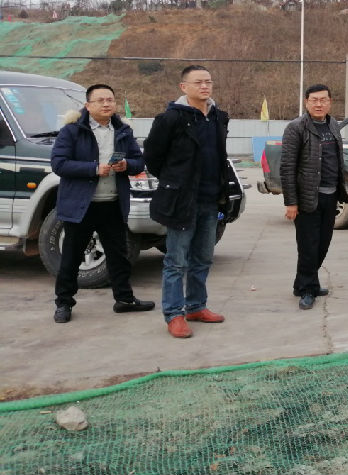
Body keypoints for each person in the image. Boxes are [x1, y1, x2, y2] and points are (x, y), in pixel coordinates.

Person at [50, 84, 154, 323]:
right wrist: (93, 169)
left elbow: (139, 161)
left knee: (119, 255)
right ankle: (64, 303)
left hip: (113, 204)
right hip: (81, 206)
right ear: (88, 105)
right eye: (100, 100)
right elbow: (59, 164)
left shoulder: (123, 130)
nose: (106, 104)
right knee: (72, 257)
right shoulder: (72, 131)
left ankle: (124, 299)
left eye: (110, 100)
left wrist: (126, 165)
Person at [143, 65, 232, 338]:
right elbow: (153, 157)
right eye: (198, 82)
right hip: (181, 200)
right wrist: (175, 181)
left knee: (203, 258)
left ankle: (196, 306)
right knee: (176, 261)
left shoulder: (218, 117)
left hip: (210, 199)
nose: (205, 86)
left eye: (208, 81)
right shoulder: (171, 118)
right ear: (184, 87)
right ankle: (174, 314)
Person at [280, 84, 348, 310]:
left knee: (323, 244)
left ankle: (302, 283)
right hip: (307, 198)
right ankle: (308, 289)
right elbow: (287, 167)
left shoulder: (333, 124)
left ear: (330, 102)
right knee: (308, 246)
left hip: (331, 195)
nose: (319, 104)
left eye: (323, 100)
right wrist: (291, 202)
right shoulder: (296, 128)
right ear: (306, 102)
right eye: (314, 100)